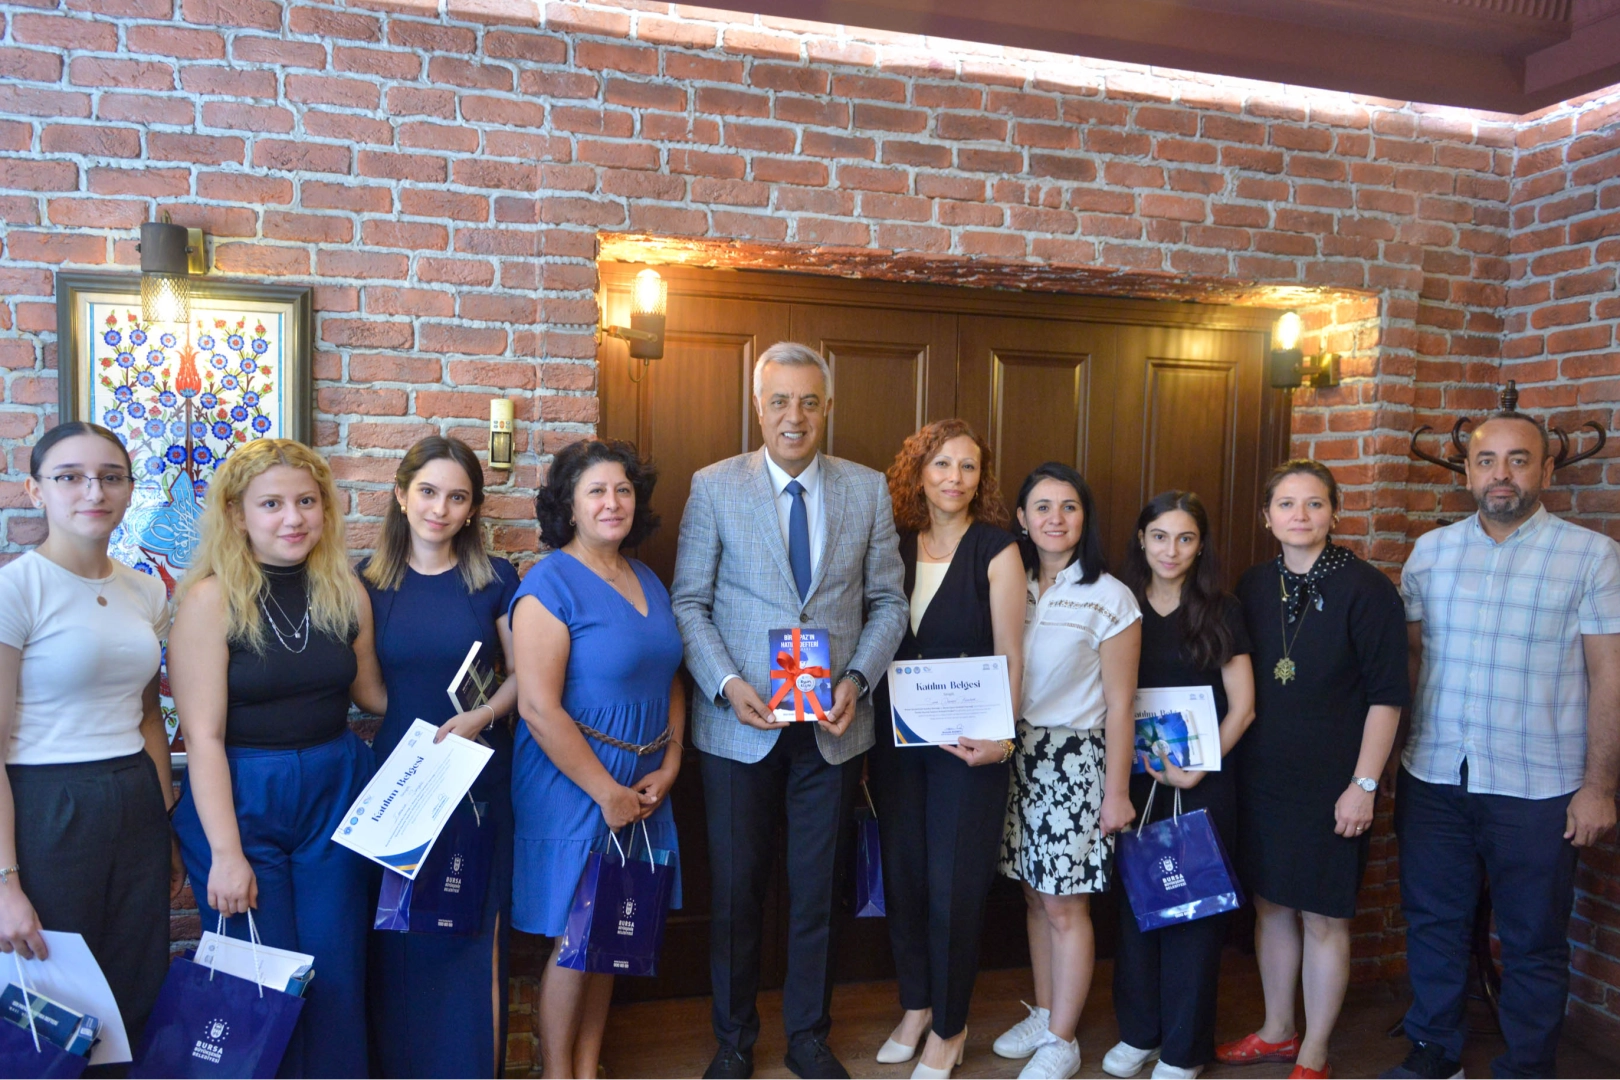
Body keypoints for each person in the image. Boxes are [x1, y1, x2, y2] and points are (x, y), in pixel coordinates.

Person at [671, 341, 908, 1080]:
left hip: (833, 731)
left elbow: (889, 603)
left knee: (815, 895)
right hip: (738, 728)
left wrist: (858, 679)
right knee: (736, 897)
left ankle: (808, 1037)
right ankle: (734, 1040)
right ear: (758, 406)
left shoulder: (867, 489)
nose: (794, 416)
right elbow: (688, 603)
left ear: (828, 407)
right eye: (779, 401)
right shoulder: (714, 486)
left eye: (808, 401)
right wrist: (725, 683)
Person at [1382, 413, 1620, 1080]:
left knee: (1532, 938)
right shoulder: (1431, 553)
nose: (1502, 474)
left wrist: (1599, 787)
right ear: (1468, 472)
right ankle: (1434, 1050)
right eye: (1487, 461)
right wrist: (1391, 758)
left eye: (1519, 460)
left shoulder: (1591, 555)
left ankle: (1527, 1066)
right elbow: (1412, 660)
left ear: (1546, 469)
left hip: (1540, 783)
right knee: (1433, 922)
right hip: (1434, 773)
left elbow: (1610, 674)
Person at [168, 438, 386, 1080]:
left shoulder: (345, 590)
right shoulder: (210, 600)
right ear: (237, 515)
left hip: (335, 788)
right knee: (260, 978)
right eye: (272, 504)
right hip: (239, 797)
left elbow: (372, 696)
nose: (293, 518)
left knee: (336, 972)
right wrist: (226, 854)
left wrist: (478, 701)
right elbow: (201, 737)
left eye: (306, 502)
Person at [1218, 460, 1408, 1080]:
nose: (1299, 515)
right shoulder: (1252, 585)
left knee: (1324, 916)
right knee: (1271, 904)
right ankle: (1277, 1031)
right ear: (1266, 516)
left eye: (1314, 503)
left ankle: (1315, 1052)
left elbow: (1388, 697)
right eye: (1286, 504)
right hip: (1263, 778)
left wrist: (1364, 785)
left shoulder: (1367, 589)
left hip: (1334, 784)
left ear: (1334, 512)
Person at [0, 422, 174, 1077]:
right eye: (70, 476)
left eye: (110, 477)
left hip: (133, 794)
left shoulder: (146, 590)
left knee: (135, 987)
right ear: (35, 490)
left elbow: (148, 715)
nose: (93, 491)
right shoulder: (16, 589)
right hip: (47, 805)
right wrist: (5, 883)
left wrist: (164, 823)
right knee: (58, 1002)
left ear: (129, 489)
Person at [509, 438, 685, 1080]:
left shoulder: (647, 578)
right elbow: (537, 707)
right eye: (596, 492)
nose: (613, 503)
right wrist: (606, 792)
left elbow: (670, 677)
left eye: (623, 490)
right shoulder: (547, 583)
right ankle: (557, 1073)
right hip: (573, 783)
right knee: (575, 938)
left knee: (612, 929)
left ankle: (588, 1068)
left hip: (642, 783)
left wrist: (671, 763)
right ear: (569, 506)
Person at [360, 436, 521, 1080]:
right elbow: (367, 691)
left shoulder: (496, 579)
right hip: (399, 785)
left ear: (473, 508)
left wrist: (482, 717)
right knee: (401, 945)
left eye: (457, 497)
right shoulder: (366, 582)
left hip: (477, 782)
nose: (440, 509)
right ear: (401, 495)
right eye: (427, 492)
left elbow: (523, 676)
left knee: (470, 944)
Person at [869, 420, 1025, 1080]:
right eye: (941, 464)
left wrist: (1001, 740)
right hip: (897, 743)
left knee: (954, 888)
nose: (954, 478)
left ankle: (950, 1026)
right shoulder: (893, 545)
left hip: (971, 747)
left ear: (980, 478)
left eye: (968, 466)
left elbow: (1012, 654)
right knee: (905, 878)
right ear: (918, 472)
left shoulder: (998, 548)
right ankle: (916, 1006)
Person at [993, 462, 1140, 1080]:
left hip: (1075, 760)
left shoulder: (1110, 596)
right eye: (1043, 507)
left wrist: (1116, 792)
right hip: (1016, 752)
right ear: (1022, 518)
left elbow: (1122, 704)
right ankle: (1047, 1011)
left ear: (1085, 518)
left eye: (1069, 507)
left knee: (1064, 905)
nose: (1056, 518)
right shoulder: (1011, 581)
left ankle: (1063, 1040)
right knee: (1034, 894)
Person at [1105, 490, 1257, 1080]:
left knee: (1194, 913)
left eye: (1185, 538)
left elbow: (1243, 707)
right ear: (1142, 540)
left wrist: (1201, 765)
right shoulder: (1119, 602)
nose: (1171, 550)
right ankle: (1140, 1033)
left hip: (1201, 781)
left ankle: (1183, 1049)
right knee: (1138, 904)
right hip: (1135, 778)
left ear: (1200, 546)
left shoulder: (1220, 609)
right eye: (1160, 537)